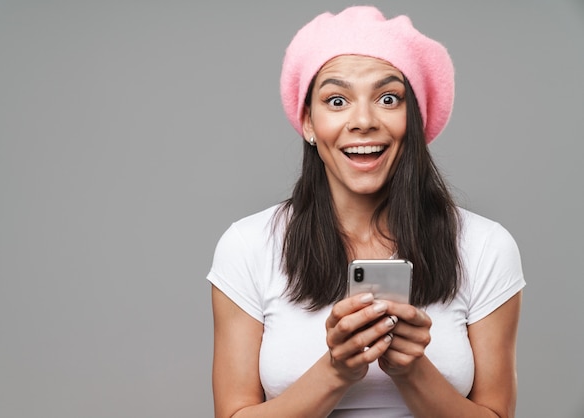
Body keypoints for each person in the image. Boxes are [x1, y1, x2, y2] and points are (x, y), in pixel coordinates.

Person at [207, 5, 525, 418]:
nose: (362, 121)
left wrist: (411, 371)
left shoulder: (485, 247)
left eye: (388, 98)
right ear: (307, 122)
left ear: (414, 117)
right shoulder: (248, 246)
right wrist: (336, 371)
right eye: (336, 100)